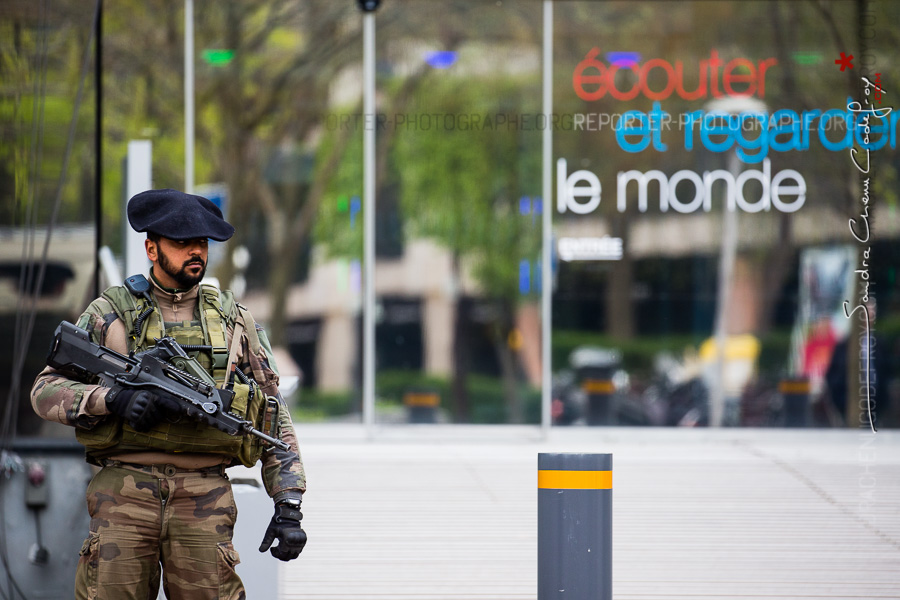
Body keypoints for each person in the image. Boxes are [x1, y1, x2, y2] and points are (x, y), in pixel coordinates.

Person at [30, 189, 307, 599]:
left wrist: (288, 503)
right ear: (151, 248)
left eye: (201, 243)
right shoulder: (111, 314)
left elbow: (271, 414)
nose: (195, 252)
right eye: (181, 243)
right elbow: (44, 390)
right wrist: (111, 401)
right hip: (124, 494)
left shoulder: (234, 322)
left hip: (204, 497)